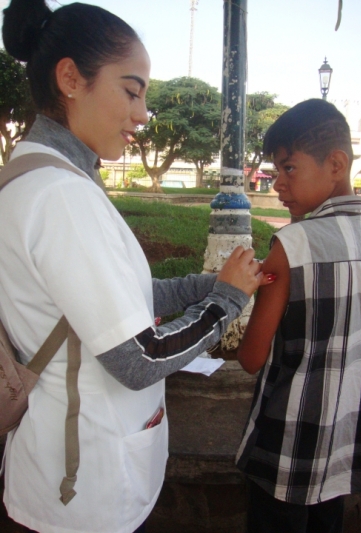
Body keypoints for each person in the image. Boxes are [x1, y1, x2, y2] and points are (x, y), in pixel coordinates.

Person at [0, 1, 273, 532]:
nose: (144, 114)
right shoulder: (61, 197)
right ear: (71, 78)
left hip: (60, 464)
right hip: (84, 489)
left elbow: (121, 297)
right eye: (131, 90)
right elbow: (139, 359)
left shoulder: (36, 177)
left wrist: (204, 285)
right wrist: (226, 302)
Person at [235, 99, 361, 533]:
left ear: (337, 164)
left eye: (289, 169)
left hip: (288, 446)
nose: (277, 185)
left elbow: (251, 358)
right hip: (344, 442)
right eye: (275, 172)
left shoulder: (290, 247)